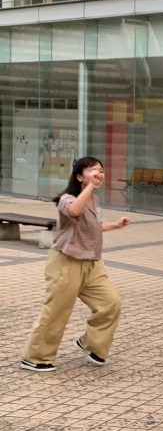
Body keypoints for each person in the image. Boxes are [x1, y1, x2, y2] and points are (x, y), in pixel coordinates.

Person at [22, 156, 129, 372]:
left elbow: (92, 226)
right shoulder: (66, 199)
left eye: (100, 169)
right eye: (92, 170)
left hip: (91, 263)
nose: (98, 173)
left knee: (110, 303)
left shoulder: (94, 201)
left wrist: (115, 226)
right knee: (57, 311)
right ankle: (35, 357)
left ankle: (91, 344)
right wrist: (90, 187)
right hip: (66, 261)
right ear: (79, 176)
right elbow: (74, 212)